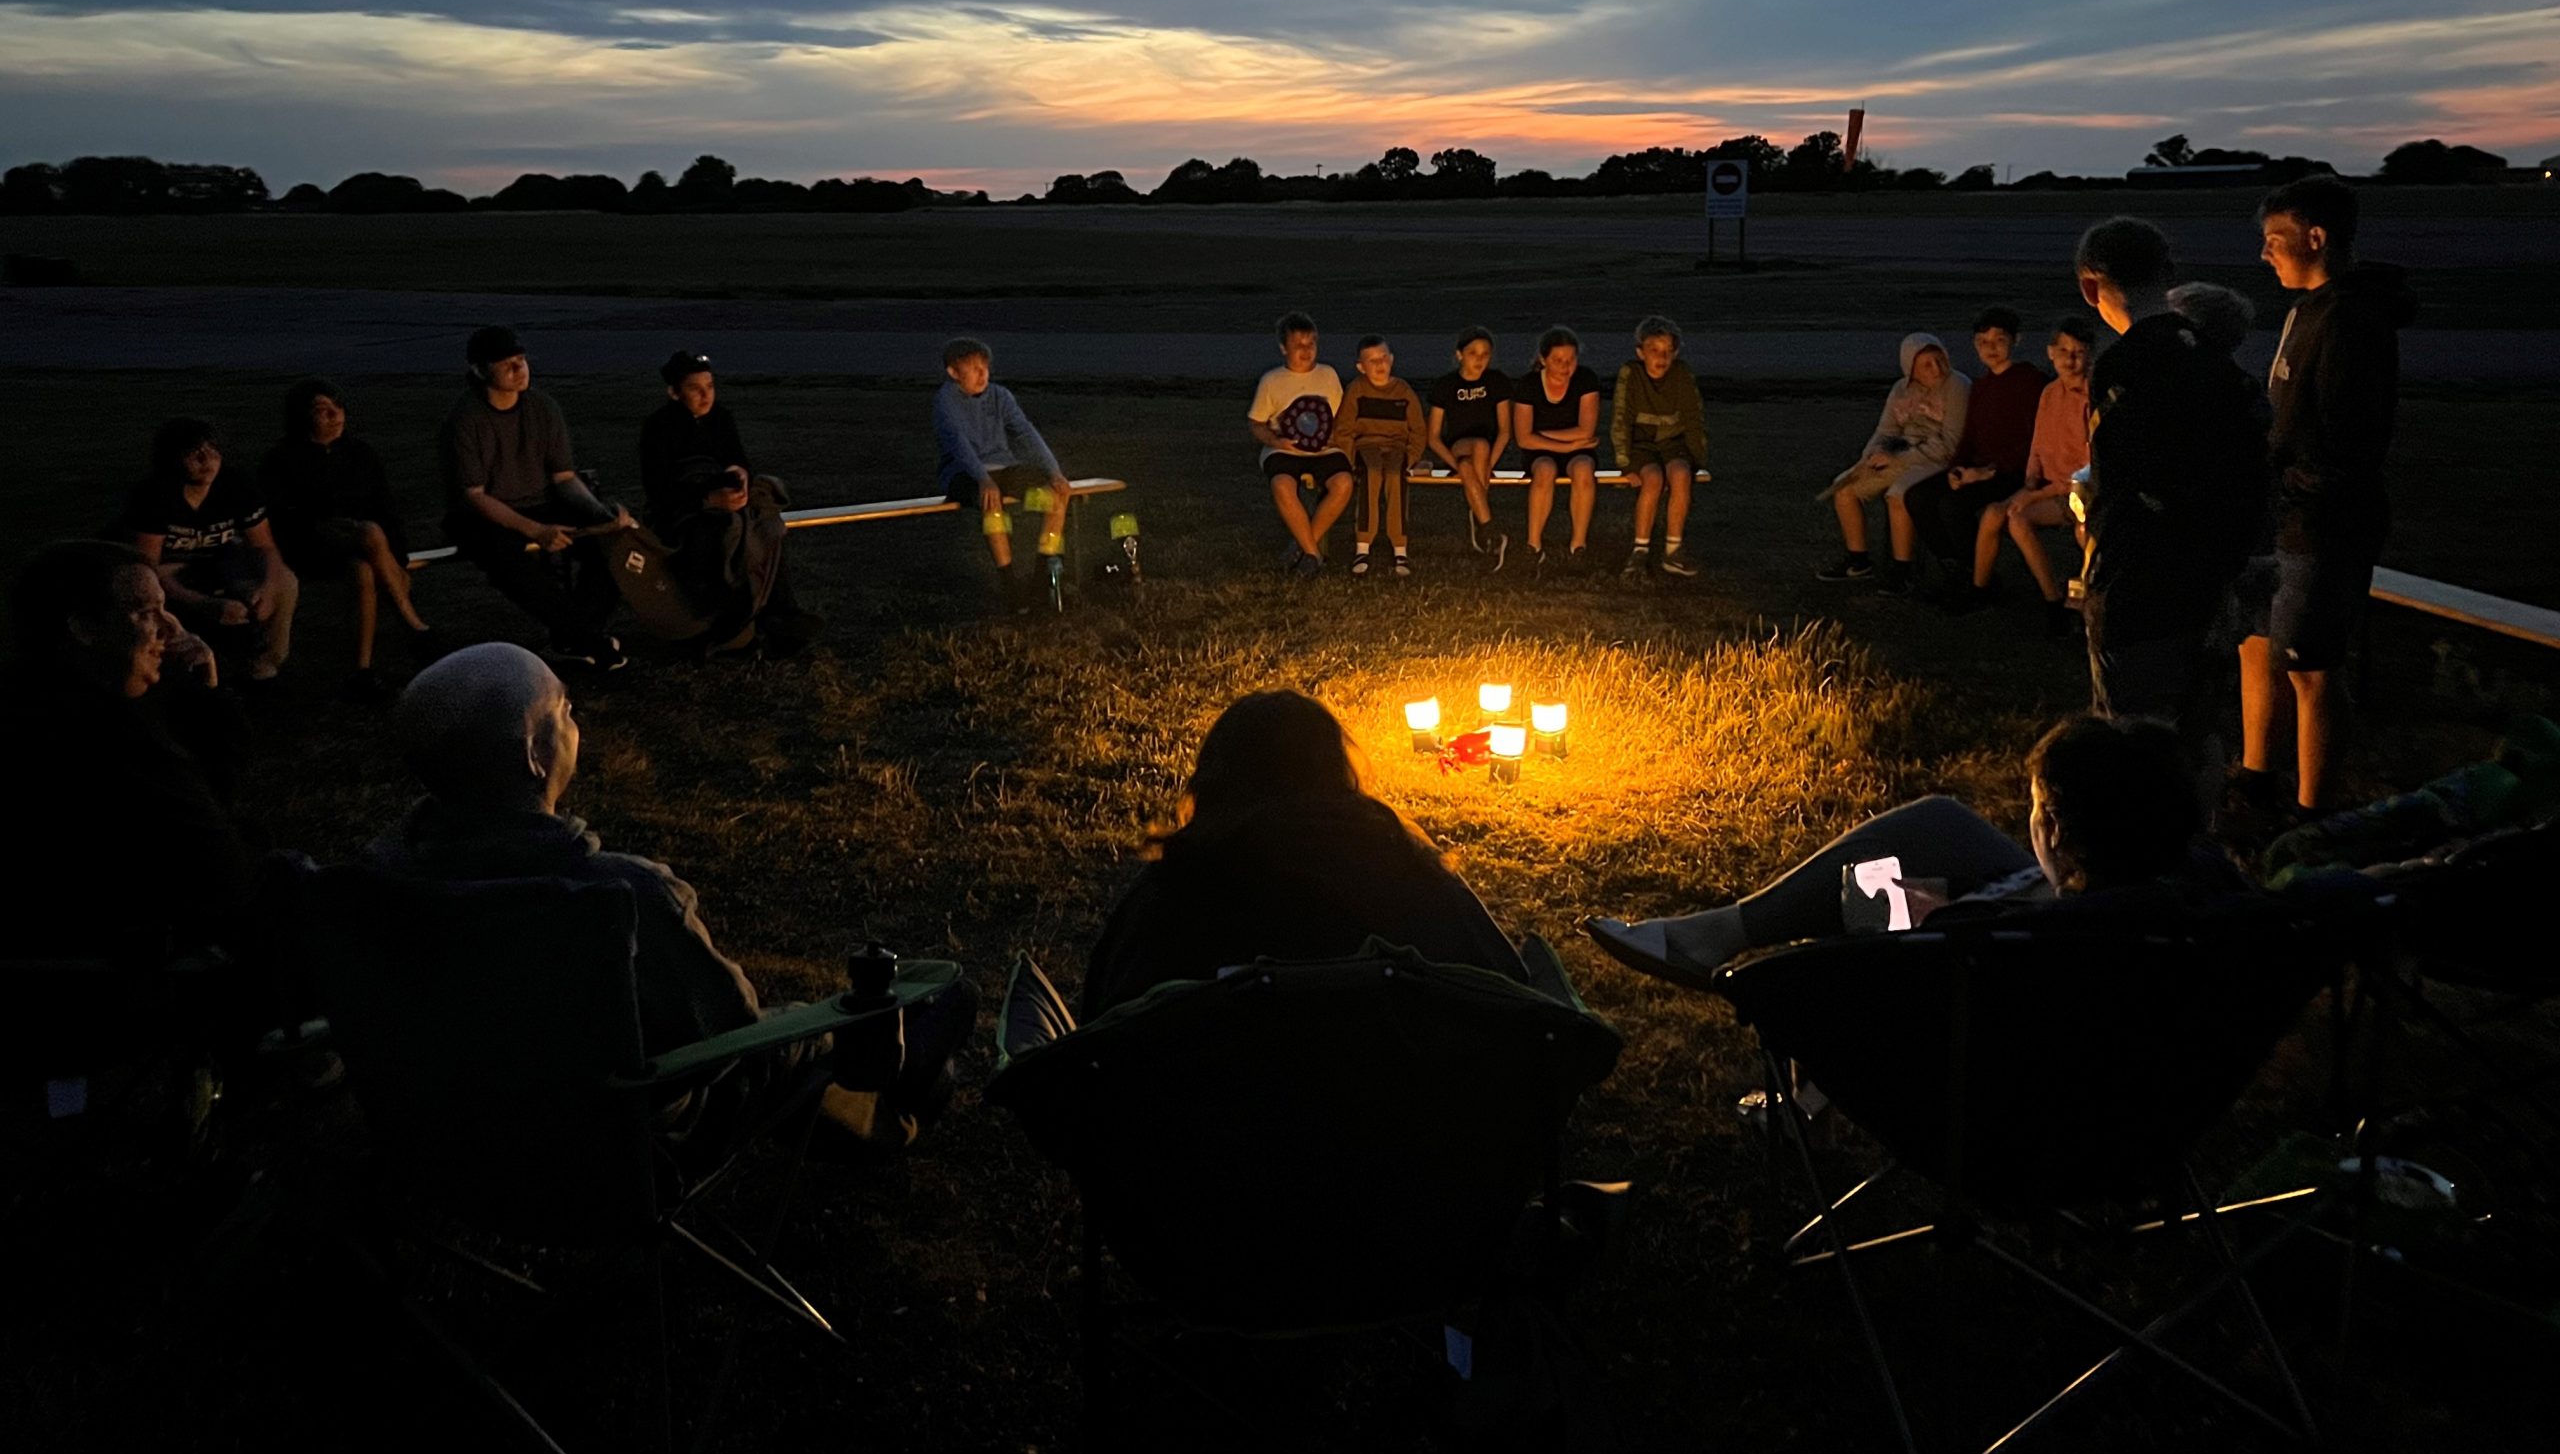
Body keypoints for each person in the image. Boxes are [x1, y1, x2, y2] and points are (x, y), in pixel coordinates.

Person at [364, 643, 974, 1156]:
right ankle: (905, 1096)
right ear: (535, 754)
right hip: (624, 1145)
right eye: (566, 710)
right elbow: (736, 1043)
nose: (577, 723)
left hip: (462, 1146)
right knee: (945, 996)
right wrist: (814, 1033)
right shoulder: (620, 898)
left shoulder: (375, 885)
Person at [1585, 714, 2232, 988]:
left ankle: (1808, 1092)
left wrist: (1878, 928)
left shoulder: (2018, 933)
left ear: (2056, 832)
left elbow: (1898, 963)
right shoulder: (2208, 900)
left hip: (1972, 1033)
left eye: (2034, 807)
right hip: (2128, 1045)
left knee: (1871, 895)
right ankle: (1715, 933)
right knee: (1939, 822)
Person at [1083, 691, 1528, 1014]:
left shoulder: (1175, 890)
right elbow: (1510, 988)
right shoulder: (1406, 872)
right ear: (1337, 773)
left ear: (1214, 784)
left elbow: (1106, 1019)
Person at [2233, 177, 2415, 822]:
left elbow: (2347, 442)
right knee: (2258, 645)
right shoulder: (2305, 308)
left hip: (2321, 523)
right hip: (2277, 516)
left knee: (2310, 668)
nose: (2265, 254)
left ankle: (2315, 816)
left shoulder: (2351, 321)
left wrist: (2290, 486)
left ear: (2317, 238)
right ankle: (2256, 780)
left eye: (2275, 240)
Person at [4, 540, 260, 966]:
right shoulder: (110, 739)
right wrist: (203, 699)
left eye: (165, 607)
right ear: (83, 628)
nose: (172, 629)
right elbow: (220, 864)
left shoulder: (29, 696)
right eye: (144, 613)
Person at [2073, 219, 2269, 747]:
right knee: (2198, 730)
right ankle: (2196, 821)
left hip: (2139, 585)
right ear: (2167, 275)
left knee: (2134, 738)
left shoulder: (2122, 367)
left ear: (2090, 288)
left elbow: (2119, 481)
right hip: (2212, 582)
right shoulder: (2218, 366)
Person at [437, 325, 632, 673]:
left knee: (611, 546)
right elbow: (474, 496)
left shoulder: (542, 407)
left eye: (522, 360)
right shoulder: (466, 420)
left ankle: (572, 637)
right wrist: (535, 530)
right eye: (507, 363)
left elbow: (564, 477)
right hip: (486, 514)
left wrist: (601, 516)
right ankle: (586, 638)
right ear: (480, 370)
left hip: (540, 502)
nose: (519, 368)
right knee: (511, 563)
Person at [258, 377, 439, 703]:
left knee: (364, 569)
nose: (334, 415)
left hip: (363, 552)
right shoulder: (283, 460)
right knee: (368, 531)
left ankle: (362, 671)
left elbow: (386, 508)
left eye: (337, 407)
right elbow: (281, 517)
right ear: (302, 416)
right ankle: (413, 625)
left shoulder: (359, 453)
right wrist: (321, 525)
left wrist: (397, 558)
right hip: (308, 548)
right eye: (322, 410)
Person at [641, 349, 812, 649]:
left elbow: (738, 460)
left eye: (710, 386)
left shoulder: (721, 419)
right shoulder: (658, 428)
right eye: (695, 388)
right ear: (674, 392)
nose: (706, 396)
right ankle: (731, 621)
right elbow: (659, 489)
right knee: (723, 532)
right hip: (685, 512)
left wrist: (740, 475)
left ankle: (779, 612)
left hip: (727, 500)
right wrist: (707, 499)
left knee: (769, 528)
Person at [118, 416, 299, 686]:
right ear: (173, 457)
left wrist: (270, 588)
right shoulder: (154, 495)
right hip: (169, 568)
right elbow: (147, 567)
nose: (207, 460)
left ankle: (264, 668)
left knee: (286, 581)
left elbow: (264, 545)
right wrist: (204, 604)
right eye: (194, 452)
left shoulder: (235, 484)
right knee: (147, 592)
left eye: (213, 450)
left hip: (221, 559)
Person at [1904, 308, 2044, 605]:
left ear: (2016, 340)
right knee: (1917, 497)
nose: (1991, 349)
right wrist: (1957, 470)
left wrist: (1986, 472)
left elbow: (2033, 441)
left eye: (1999, 340)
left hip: (2012, 472)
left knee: (1953, 506)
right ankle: (1958, 568)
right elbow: (1969, 437)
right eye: (1983, 342)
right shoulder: (1981, 386)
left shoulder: (2030, 382)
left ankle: (1980, 580)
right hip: (1976, 470)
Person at [1816, 334, 1970, 590]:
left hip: (1934, 459)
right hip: (1900, 454)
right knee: (1844, 487)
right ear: (1911, 368)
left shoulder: (1958, 386)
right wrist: (1871, 456)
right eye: (1927, 364)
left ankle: (1902, 571)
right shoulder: (1901, 389)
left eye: (1939, 360)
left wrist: (1898, 457)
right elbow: (1886, 430)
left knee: (1899, 494)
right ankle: (1859, 560)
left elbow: (1949, 444)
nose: (1937, 369)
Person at [932, 337, 1073, 614]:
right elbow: (958, 443)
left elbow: (1026, 432)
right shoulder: (946, 401)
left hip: (1004, 469)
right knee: (992, 505)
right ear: (953, 372)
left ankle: (1041, 574)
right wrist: (983, 479)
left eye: (984, 366)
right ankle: (1009, 584)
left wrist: (1053, 471)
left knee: (1055, 497)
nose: (983, 374)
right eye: (973, 368)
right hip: (963, 473)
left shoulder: (1000, 396)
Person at [1987, 316, 2097, 637]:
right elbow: (2039, 440)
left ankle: (2081, 601)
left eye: (2078, 352)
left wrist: (2035, 494)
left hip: (2084, 492)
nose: (2070, 359)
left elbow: (2089, 469)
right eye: (2064, 351)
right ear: (2051, 353)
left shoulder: (2093, 398)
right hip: (2053, 489)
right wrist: (2031, 480)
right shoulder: (2050, 392)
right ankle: (2052, 598)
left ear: (2090, 355)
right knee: (2016, 517)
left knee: (2085, 529)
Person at [1247, 312, 1355, 579]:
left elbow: (1341, 415)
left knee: (1343, 483)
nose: (1306, 351)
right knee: (1282, 485)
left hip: (1323, 447)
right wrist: (1276, 441)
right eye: (1299, 346)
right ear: (1284, 348)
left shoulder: (1328, 375)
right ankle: (1313, 555)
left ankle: (1303, 546)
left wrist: (1335, 436)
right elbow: (1256, 424)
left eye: (1311, 344)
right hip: (1285, 447)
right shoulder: (1272, 381)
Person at [1609, 315, 1708, 580]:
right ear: (1640, 352)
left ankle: (1673, 550)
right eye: (1654, 350)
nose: (1661, 357)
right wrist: (1625, 463)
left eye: (1667, 351)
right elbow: (1621, 419)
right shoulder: (1631, 374)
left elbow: (1693, 417)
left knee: (1680, 475)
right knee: (1652, 479)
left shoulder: (1681, 374)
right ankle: (1640, 550)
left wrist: (1696, 459)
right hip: (1642, 445)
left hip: (1672, 444)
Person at [1512, 325, 1604, 574]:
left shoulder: (1586, 379)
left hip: (1575, 451)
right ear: (1543, 360)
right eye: (1558, 360)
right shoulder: (1528, 384)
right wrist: (1568, 443)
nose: (1565, 366)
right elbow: (1523, 439)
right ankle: (1533, 545)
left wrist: (1542, 435)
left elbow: (1585, 430)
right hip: (1541, 453)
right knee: (1544, 470)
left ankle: (1578, 545)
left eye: (1570, 359)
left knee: (1584, 469)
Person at [1339, 336, 1427, 577]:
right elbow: (1344, 429)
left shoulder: (1403, 391)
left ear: (1392, 359)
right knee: (1373, 472)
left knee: (1395, 476)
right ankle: (1363, 545)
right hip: (1366, 446)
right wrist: (1348, 459)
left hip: (1397, 448)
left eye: (1384, 357)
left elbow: (1418, 430)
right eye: (1372, 360)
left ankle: (1400, 548)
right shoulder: (1356, 389)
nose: (1380, 364)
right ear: (1361, 366)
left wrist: (1412, 456)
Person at [1427, 326, 1512, 570]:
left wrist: (1485, 466)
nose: (1480, 359)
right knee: (1475, 448)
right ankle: (1486, 523)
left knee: (1472, 461)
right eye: (1473, 353)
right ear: (1459, 355)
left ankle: (1487, 533)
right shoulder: (1446, 386)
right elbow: (1433, 437)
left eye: (1485, 353)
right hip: (1458, 448)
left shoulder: (1497, 382)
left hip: (1482, 457)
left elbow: (1505, 431)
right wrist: (1455, 465)